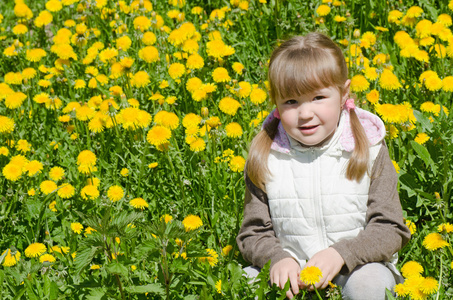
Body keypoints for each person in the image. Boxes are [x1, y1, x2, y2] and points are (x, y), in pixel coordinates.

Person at [236, 32, 411, 300]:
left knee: (370, 284)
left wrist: (342, 254)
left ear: (344, 94)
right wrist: (276, 259)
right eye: (291, 102)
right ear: (276, 102)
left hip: (356, 267)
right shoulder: (265, 154)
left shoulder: (370, 148)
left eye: (318, 98)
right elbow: (253, 232)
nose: (305, 113)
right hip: (292, 273)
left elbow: (390, 229)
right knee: (244, 282)